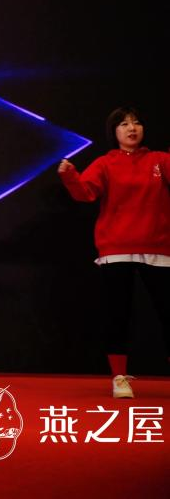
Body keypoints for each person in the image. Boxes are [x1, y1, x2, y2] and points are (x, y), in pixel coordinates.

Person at [59, 107, 170, 398]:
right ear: (114, 132)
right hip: (116, 249)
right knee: (117, 314)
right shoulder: (105, 163)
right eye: (124, 124)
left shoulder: (160, 160)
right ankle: (120, 378)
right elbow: (85, 192)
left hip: (158, 248)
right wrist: (70, 176)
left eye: (137, 123)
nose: (132, 128)